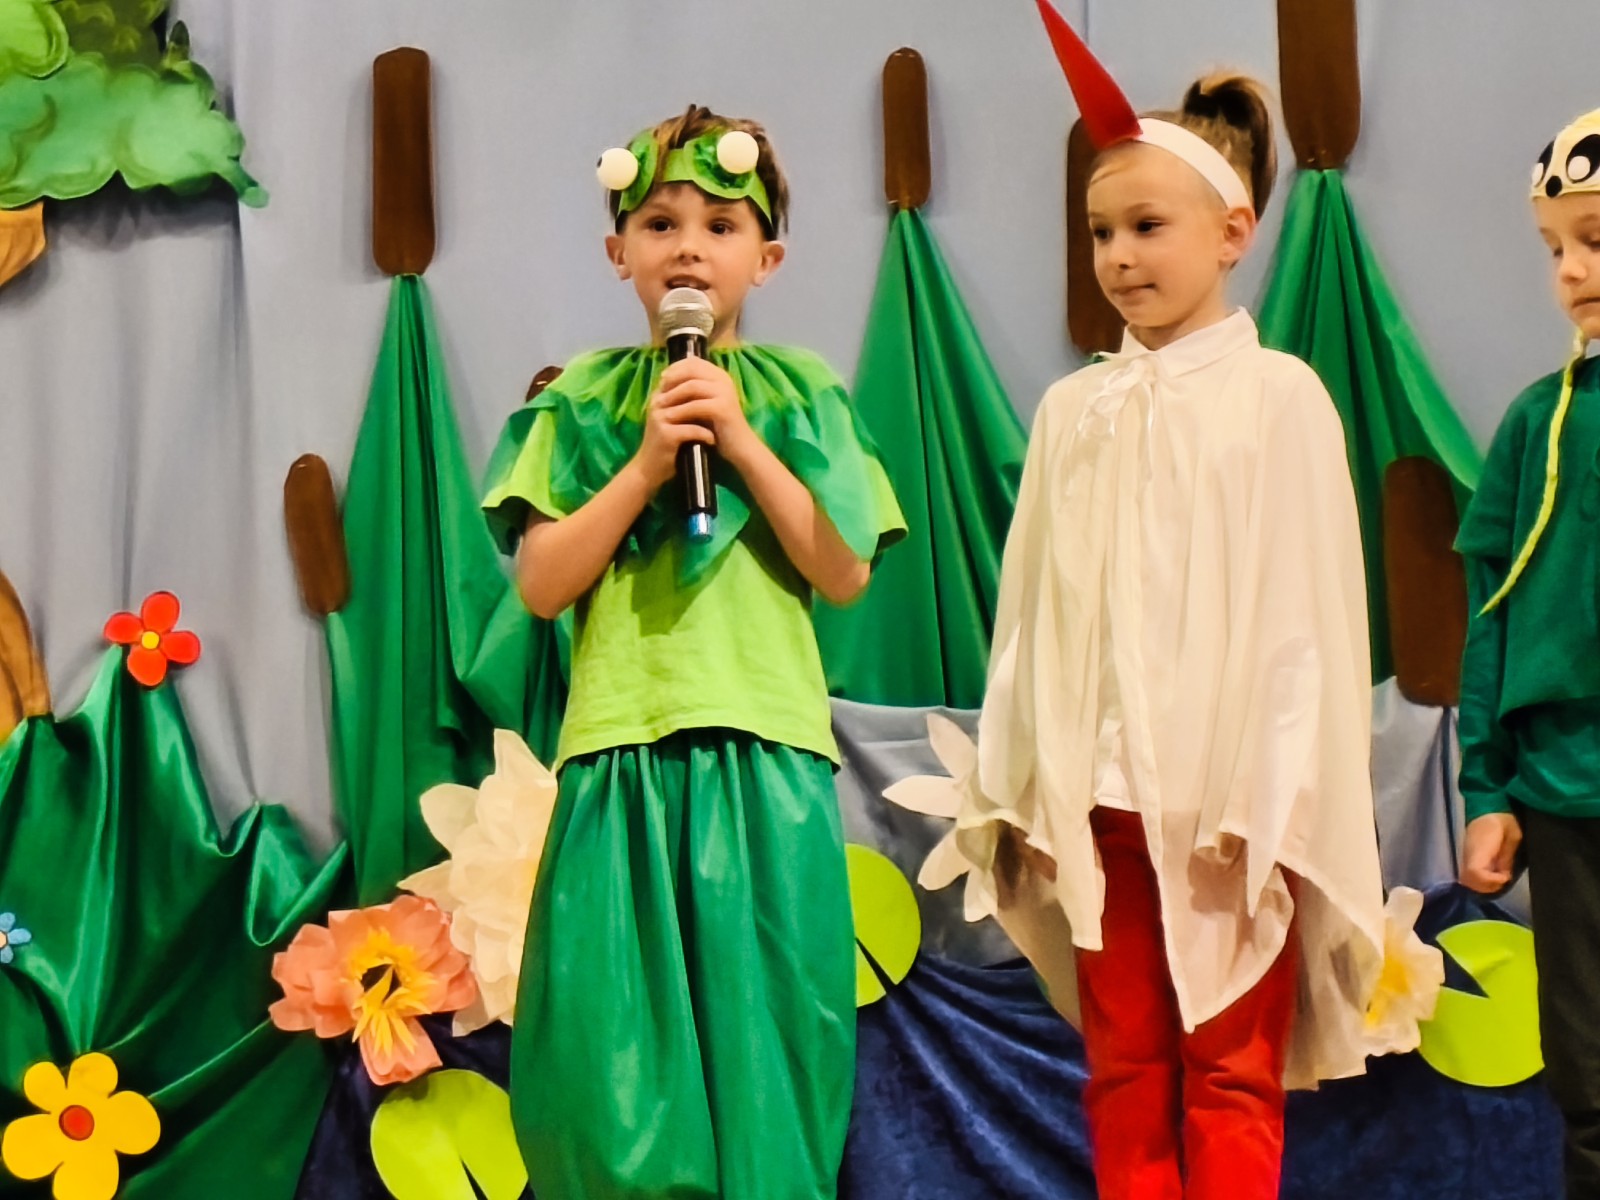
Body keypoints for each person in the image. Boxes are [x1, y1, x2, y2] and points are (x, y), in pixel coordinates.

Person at [952, 7, 1393, 1198]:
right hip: (1100, 808)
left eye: (1147, 226)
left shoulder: (1278, 399)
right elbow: (1032, 616)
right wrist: (1021, 779)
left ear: (1233, 230)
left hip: (1226, 817)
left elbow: (1305, 622)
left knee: (1231, 1069)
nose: (1118, 256)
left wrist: (1269, 794)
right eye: (1100, 232)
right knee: (1123, 1068)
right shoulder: (1072, 412)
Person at [480, 104, 905, 1200]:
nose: (687, 248)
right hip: (621, 756)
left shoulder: (801, 391)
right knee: (612, 1071)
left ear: (767, 259)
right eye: (659, 223)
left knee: (769, 1055)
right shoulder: (584, 399)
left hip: (763, 757)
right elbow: (541, 584)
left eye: (720, 225)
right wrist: (644, 464)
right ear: (617, 251)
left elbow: (843, 568)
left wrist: (741, 439)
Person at [1457, 106, 1600, 1200]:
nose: (1570, 271)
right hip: (1563, 792)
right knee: (1589, 1081)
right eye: (1554, 248)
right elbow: (1491, 614)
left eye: (1592, 240)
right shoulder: (1532, 425)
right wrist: (1487, 786)